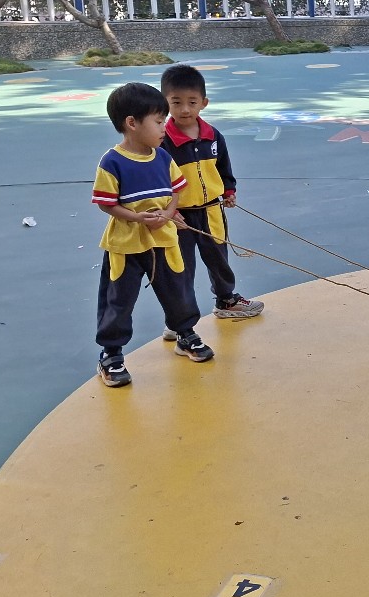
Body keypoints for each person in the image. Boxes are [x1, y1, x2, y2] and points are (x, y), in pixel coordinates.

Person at [92, 83, 213, 389]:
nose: (164, 128)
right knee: (119, 299)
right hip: (126, 245)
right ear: (132, 123)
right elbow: (107, 203)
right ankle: (111, 354)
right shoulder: (112, 161)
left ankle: (185, 334)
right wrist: (137, 218)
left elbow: (176, 191)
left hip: (163, 240)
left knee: (177, 289)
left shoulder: (163, 158)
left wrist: (169, 213)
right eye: (159, 122)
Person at [159, 64, 265, 330]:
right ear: (164, 103)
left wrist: (228, 191)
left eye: (192, 102)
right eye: (176, 102)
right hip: (179, 217)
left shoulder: (213, 136)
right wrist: (169, 210)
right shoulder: (162, 142)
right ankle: (178, 319)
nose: (185, 109)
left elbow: (223, 167)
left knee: (219, 258)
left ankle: (226, 300)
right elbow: (158, 180)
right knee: (180, 267)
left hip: (211, 211)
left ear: (204, 103)